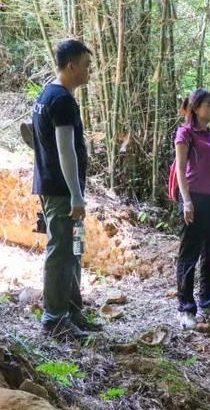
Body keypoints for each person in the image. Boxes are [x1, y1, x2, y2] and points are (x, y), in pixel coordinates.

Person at [32, 39, 100, 339]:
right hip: (62, 193)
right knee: (61, 252)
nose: (89, 71)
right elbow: (65, 151)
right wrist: (75, 194)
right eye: (86, 65)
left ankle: (72, 310)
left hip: (58, 189)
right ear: (71, 66)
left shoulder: (47, 94)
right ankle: (54, 318)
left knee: (74, 249)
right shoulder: (60, 100)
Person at [174, 88, 210, 329]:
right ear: (196, 108)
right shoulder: (185, 133)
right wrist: (186, 201)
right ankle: (186, 307)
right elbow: (181, 169)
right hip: (194, 197)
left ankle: (208, 302)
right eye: (208, 104)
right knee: (189, 252)